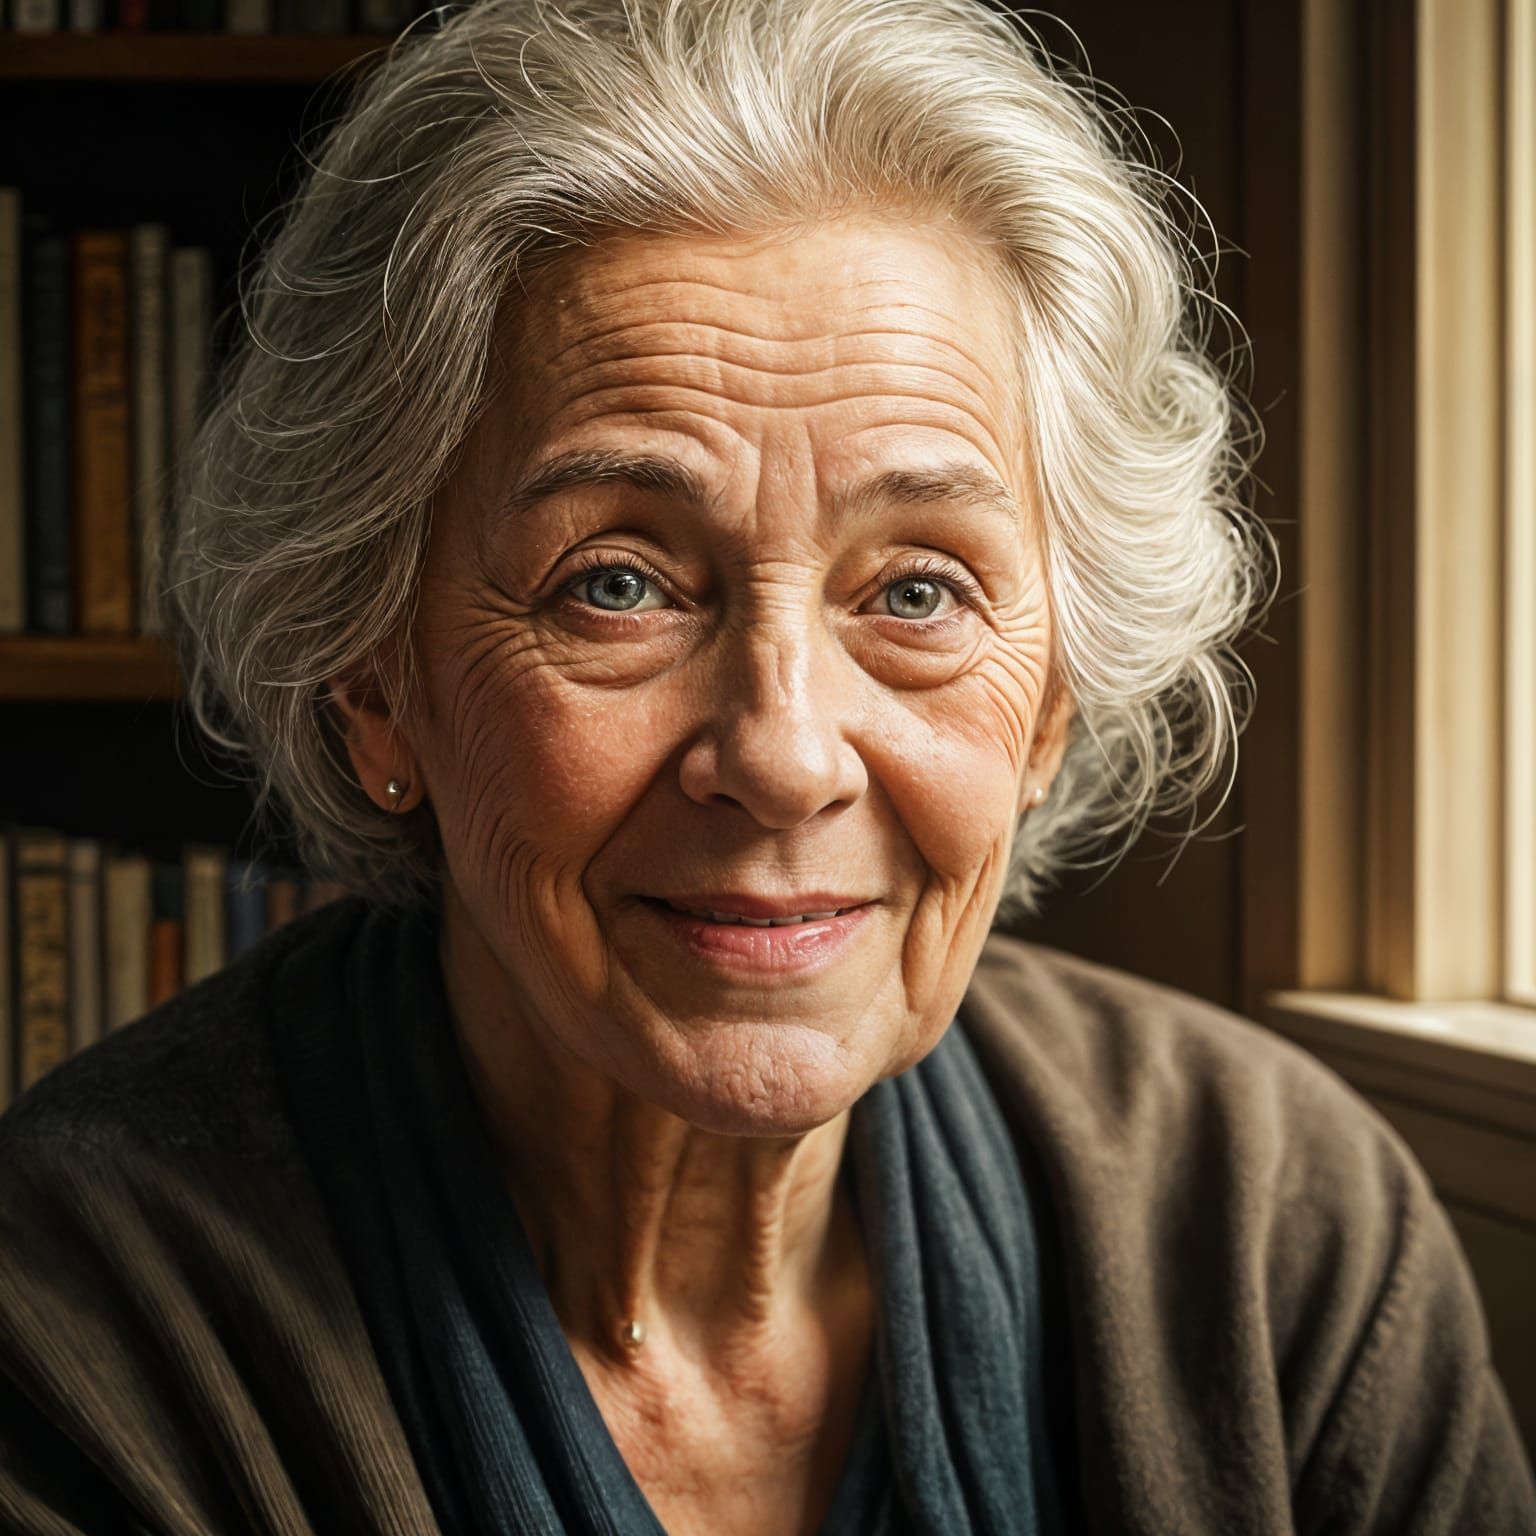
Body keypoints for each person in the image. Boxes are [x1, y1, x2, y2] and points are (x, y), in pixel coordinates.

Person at [2, 1, 1532, 1531]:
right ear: (373, 682)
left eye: (919, 590)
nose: (787, 758)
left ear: (1056, 698)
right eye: (617, 582)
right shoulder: (71, 1317)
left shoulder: (1274, 1229)